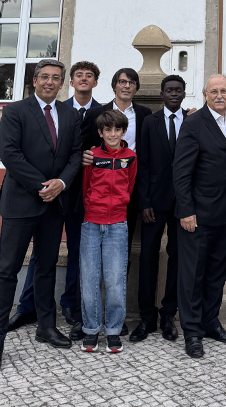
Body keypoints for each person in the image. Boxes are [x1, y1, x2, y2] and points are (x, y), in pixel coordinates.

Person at [0, 59, 82, 372]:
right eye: (45, 77)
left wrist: (62, 183)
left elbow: (76, 153)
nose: (50, 82)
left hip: (55, 205)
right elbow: (10, 154)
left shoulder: (69, 114)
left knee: (46, 267)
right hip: (22, 202)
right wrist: (43, 186)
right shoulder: (15, 111)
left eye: (55, 78)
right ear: (35, 80)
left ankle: (46, 326)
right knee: (7, 269)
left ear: (61, 83)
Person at [7, 60, 101, 332]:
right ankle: (28, 307)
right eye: (78, 75)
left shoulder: (102, 112)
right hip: (49, 192)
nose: (83, 79)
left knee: (77, 251)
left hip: (81, 192)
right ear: (69, 82)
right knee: (41, 254)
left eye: (89, 76)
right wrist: (47, 184)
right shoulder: (58, 108)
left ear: (95, 82)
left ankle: (69, 303)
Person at [173, 73, 226, 359]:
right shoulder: (193, 124)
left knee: (217, 271)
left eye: (223, 90)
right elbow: (181, 172)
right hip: (198, 215)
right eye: (213, 91)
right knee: (192, 275)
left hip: (225, 213)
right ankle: (192, 331)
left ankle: (210, 321)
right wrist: (186, 211)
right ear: (204, 94)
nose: (219, 95)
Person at [79, 67, 151, 339]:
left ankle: (115, 322)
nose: (126, 86)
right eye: (122, 81)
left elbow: (134, 178)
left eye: (131, 82)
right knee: (89, 271)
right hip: (94, 209)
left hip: (123, 203)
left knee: (117, 270)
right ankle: (89, 323)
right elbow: (86, 181)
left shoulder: (144, 115)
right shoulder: (100, 115)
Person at [132, 74, 192, 343]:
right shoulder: (149, 122)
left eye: (179, 90)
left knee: (178, 257)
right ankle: (147, 316)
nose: (174, 94)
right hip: (153, 203)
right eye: (169, 90)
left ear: (184, 93)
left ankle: (169, 313)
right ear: (162, 94)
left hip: (182, 202)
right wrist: (143, 201)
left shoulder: (192, 122)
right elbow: (142, 163)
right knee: (148, 258)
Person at [80, 109, 137, 354]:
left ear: (124, 131)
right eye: (107, 130)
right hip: (91, 224)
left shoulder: (130, 157)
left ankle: (113, 330)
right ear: (101, 133)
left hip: (117, 225)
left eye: (117, 129)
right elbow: (85, 187)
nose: (112, 134)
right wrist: (93, 208)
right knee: (90, 279)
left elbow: (130, 186)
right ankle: (91, 330)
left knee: (114, 280)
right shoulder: (92, 156)